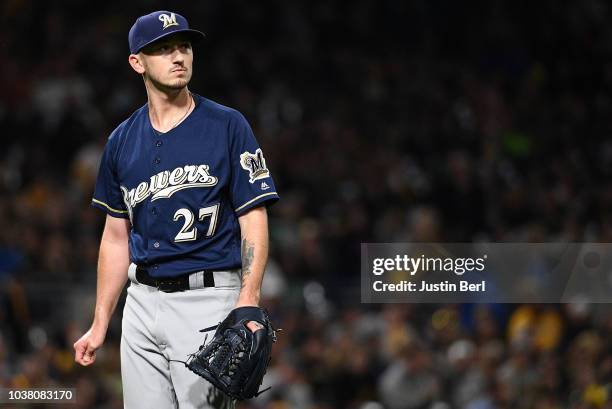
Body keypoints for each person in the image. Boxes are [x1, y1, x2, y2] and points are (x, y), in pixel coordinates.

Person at [73, 10, 279, 409]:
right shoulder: (121, 140)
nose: (178, 55)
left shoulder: (227, 125)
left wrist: (248, 297)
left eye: (183, 45)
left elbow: (253, 216)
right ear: (137, 63)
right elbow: (116, 238)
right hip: (141, 302)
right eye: (163, 49)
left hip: (207, 300)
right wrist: (101, 323)